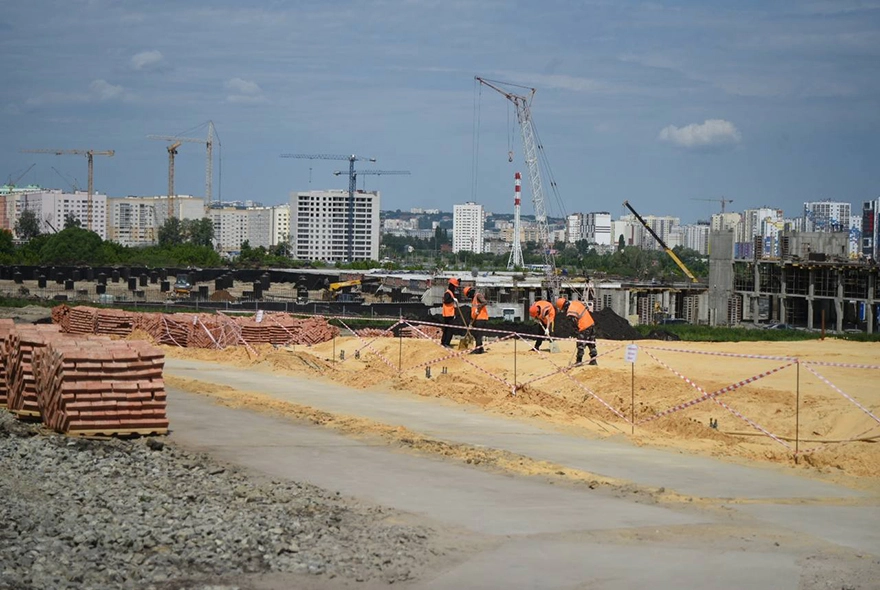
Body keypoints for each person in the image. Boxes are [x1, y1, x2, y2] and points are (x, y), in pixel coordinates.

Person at [555, 297, 598, 365]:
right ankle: (593, 360)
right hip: (591, 324)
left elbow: (574, 324)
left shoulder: (570, 312)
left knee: (580, 345)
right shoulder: (575, 303)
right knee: (591, 343)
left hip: (583, 326)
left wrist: (575, 333)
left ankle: (579, 361)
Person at [464, 286, 488, 354]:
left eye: (468, 295)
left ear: (470, 292)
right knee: (477, 334)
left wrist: (479, 307)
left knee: (478, 334)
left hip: (481, 318)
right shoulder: (474, 299)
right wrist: (471, 322)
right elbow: (473, 311)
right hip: (477, 318)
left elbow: (485, 302)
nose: (469, 297)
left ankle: (478, 350)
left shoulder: (478, 295)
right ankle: (480, 349)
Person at [440, 277, 460, 348]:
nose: (455, 288)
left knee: (446, 329)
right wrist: (453, 299)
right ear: (452, 286)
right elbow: (446, 300)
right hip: (448, 314)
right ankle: (446, 343)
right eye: (454, 286)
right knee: (449, 329)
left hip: (449, 313)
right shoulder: (448, 293)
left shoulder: (450, 292)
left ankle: (443, 342)